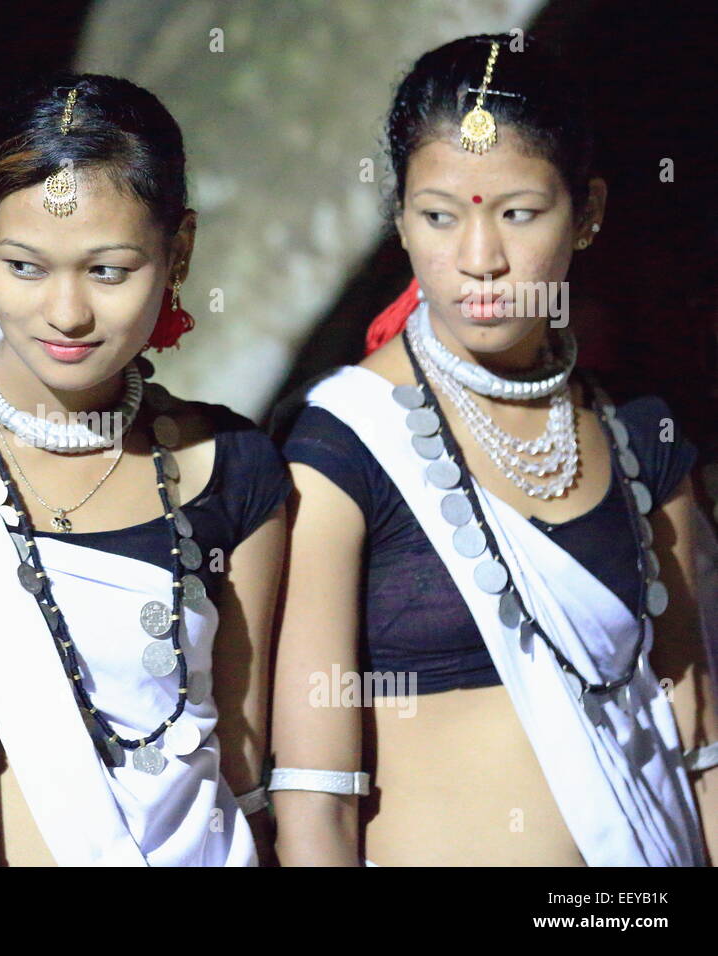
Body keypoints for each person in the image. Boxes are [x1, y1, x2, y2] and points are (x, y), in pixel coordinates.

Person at [269, 34, 718, 866]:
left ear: (587, 213)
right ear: (399, 218)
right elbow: (312, 793)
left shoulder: (640, 436)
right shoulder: (341, 445)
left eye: (517, 213)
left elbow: (699, 738)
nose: (479, 260)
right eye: (439, 216)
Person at [0, 74, 290, 865]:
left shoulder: (232, 470)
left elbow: (243, 769)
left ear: (179, 250)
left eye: (108, 271)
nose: (67, 312)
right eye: (26, 266)